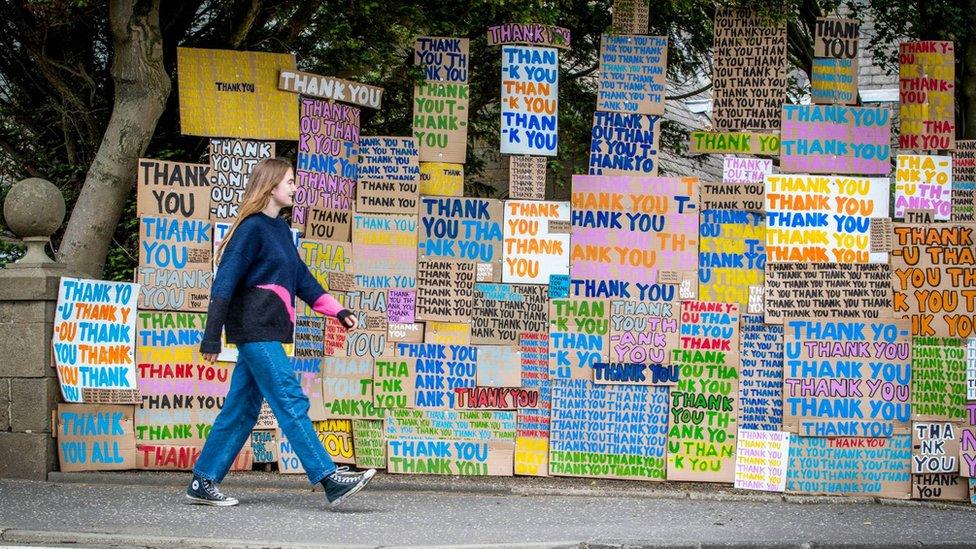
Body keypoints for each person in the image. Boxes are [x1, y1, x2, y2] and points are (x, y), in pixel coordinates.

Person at [186, 157, 375, 508]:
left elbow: (302, 279)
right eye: (289, 181)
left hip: (268, 331)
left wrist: (339, 311)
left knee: (241, 409)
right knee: (289, 398)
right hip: (256, 331)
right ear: (270, 186)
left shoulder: (279, 231)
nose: (294, 187)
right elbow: (223, 284)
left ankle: (203, 479)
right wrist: (212, 336)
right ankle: (329, 477)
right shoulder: (251, 229)